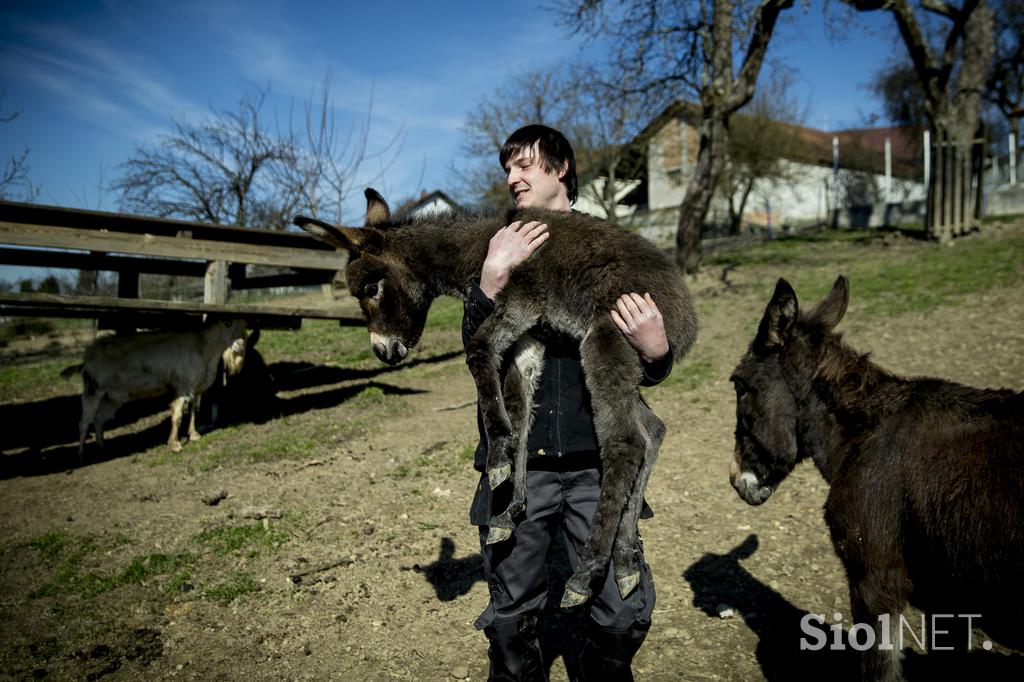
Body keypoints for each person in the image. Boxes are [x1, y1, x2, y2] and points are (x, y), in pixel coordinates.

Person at [462, 124, 674, 681]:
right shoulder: (501, 245)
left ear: (560, 168)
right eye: (507, 168)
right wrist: (488, 280)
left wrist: (657, 352)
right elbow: (476, 348)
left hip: (593, 464)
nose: (512, 177)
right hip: (521, 466)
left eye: (524, 165)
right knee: (510, 617)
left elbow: (636, 368)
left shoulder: (608, 247)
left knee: (621, 613)